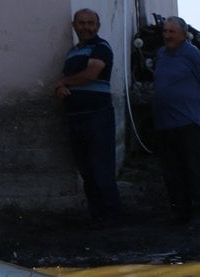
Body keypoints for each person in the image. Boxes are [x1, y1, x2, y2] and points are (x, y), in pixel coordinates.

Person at [53, 8, 123, 227]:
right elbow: (69, 81)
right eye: (81, 23)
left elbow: (91, 74)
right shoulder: (72, 53)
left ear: (98, 26)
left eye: (90, 23)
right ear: (74, 26)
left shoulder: (101, 48)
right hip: (75, 117)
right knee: (87, 171)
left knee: (102, 170)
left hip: (97, 117)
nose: (86, 27)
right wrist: (61, 89)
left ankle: (113, 219)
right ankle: (97, 217)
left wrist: (63, 83)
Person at [151, 16, 200, 226]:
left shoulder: (193, 54)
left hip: (188, 121)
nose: (167, 36)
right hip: (164, 122)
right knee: (171, 170)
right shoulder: (161, 54)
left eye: (172, 32)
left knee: (193, 169)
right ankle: (180, 211)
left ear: (183, 34)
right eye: (165, 31)